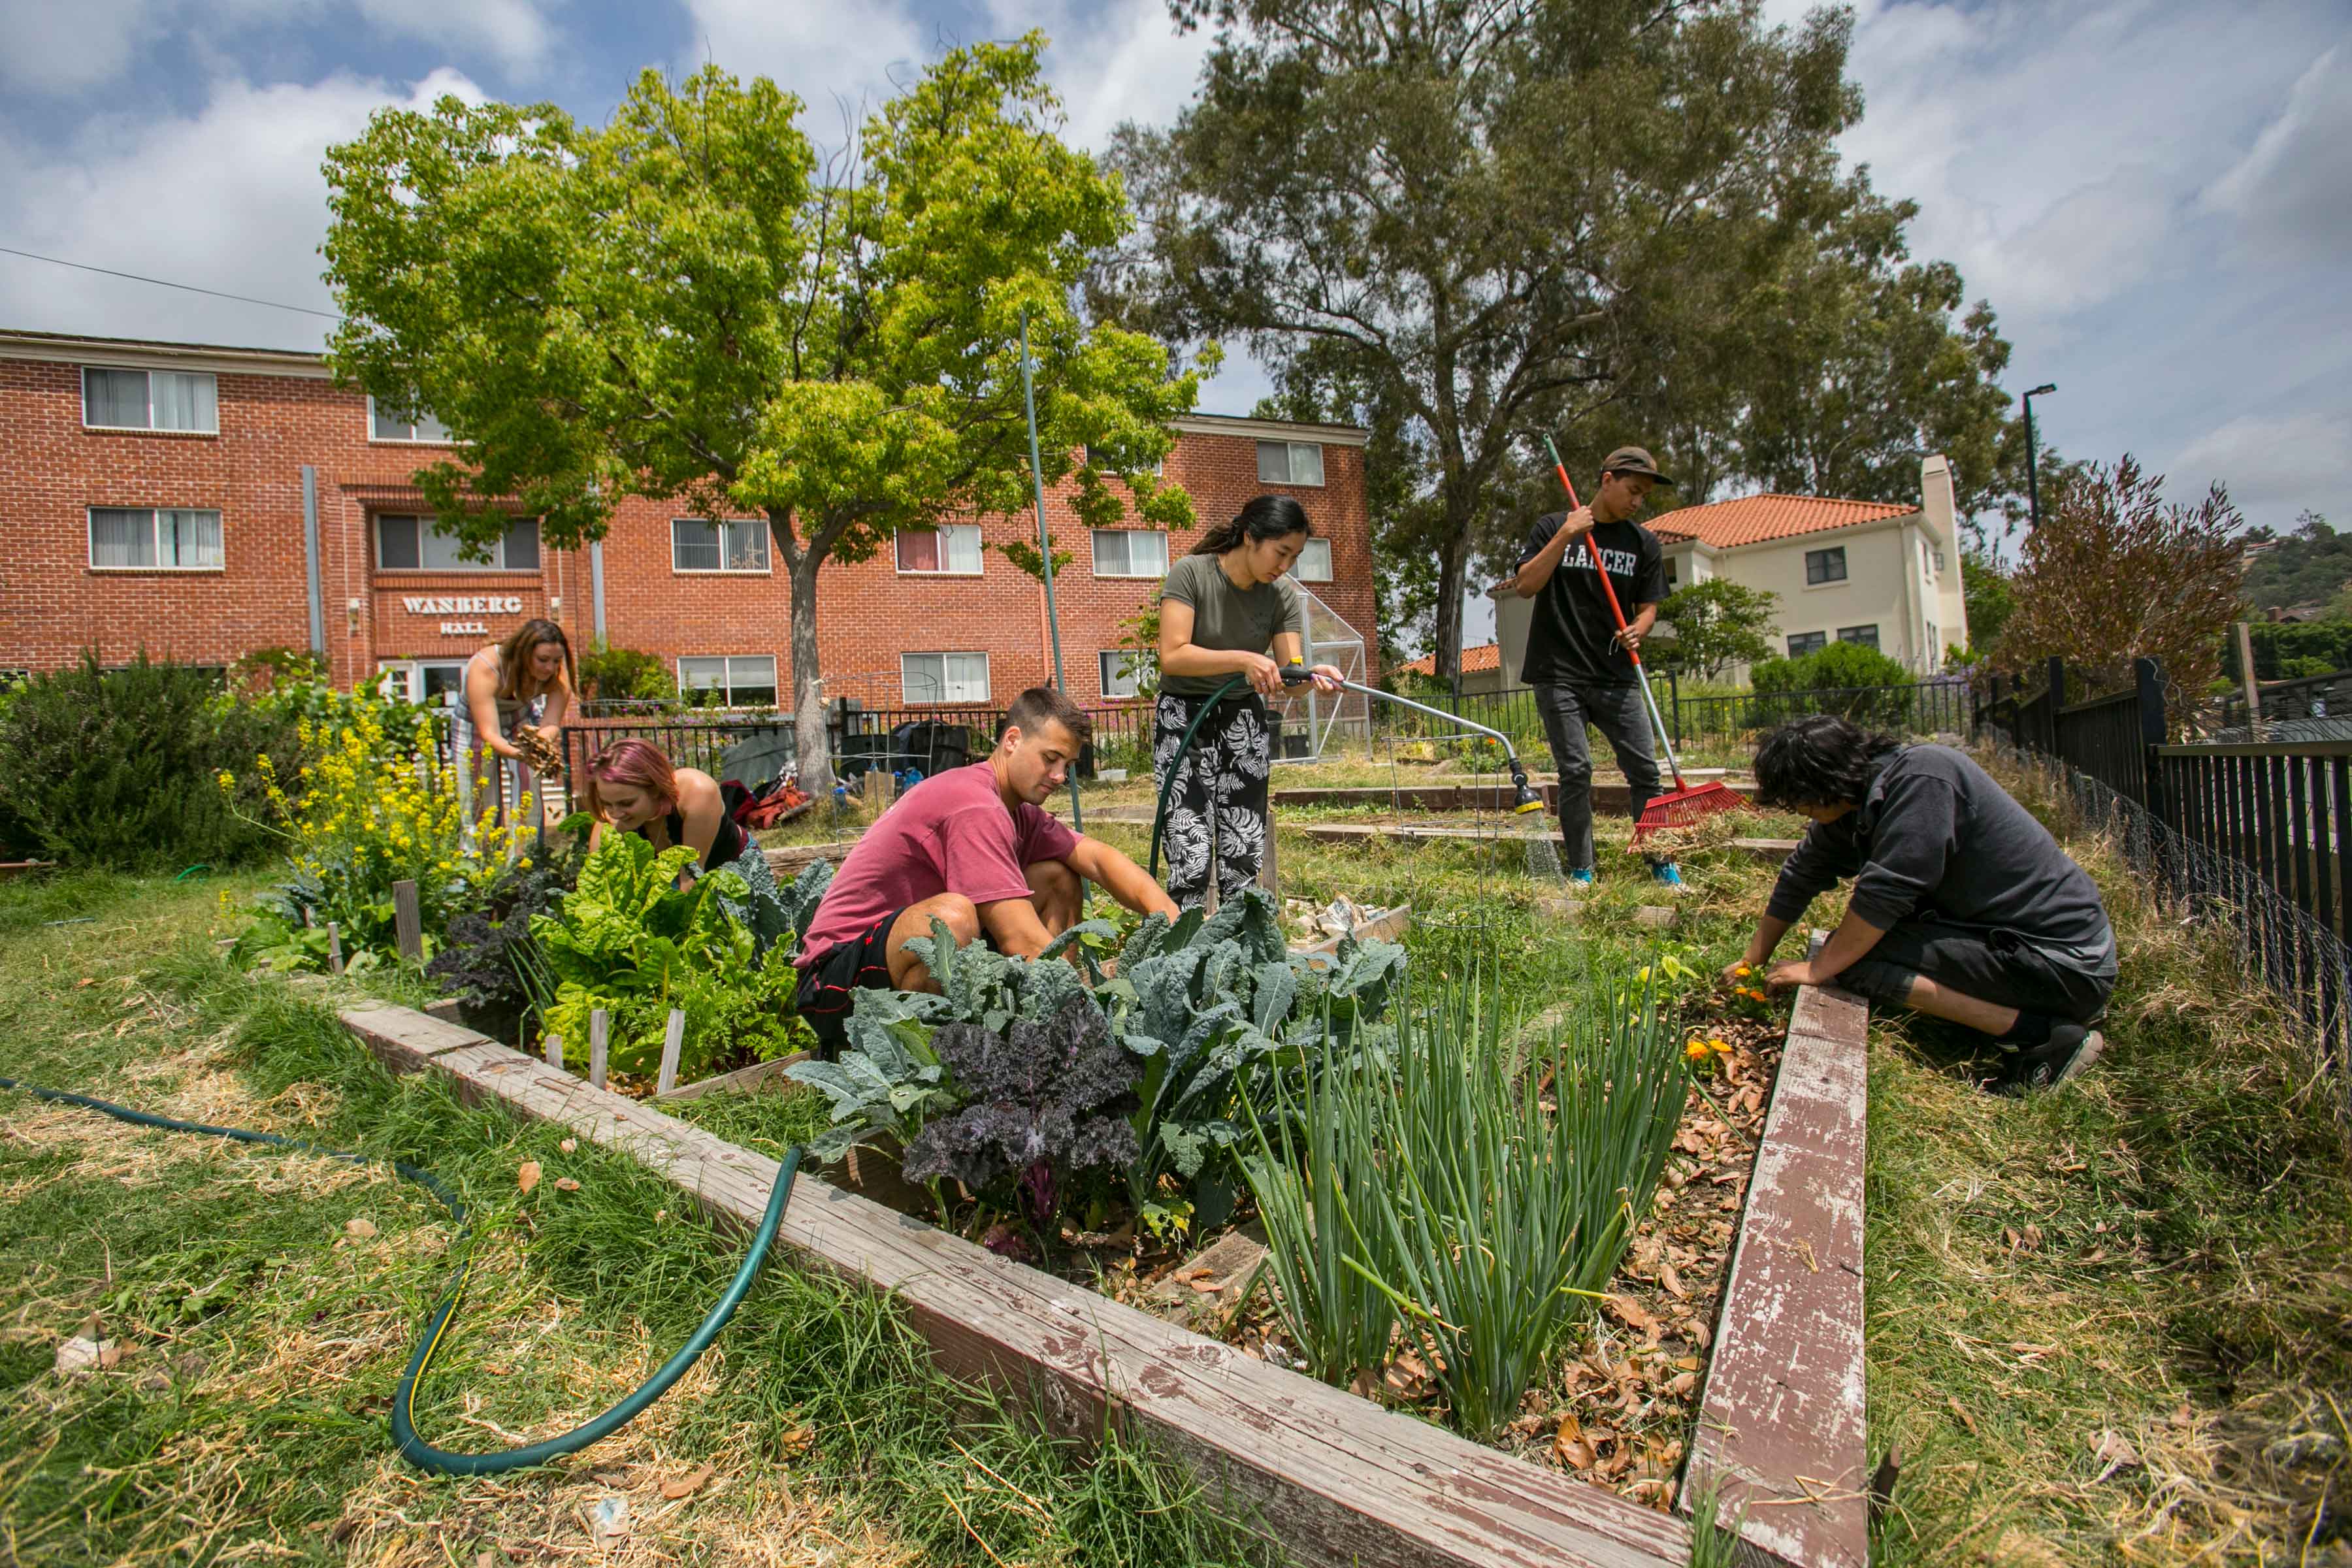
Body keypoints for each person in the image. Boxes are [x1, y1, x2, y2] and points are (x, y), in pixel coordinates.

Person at [1730, 714, 2117, 1093]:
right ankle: (2016, 1015)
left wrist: (1817, 970)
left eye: (1800, 799)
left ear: (1827, 780)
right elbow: (1801, 874)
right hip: (2011, 942)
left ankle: (2041, 1036)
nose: (1798, 811)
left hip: (2063, 961)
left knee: (1855, 963)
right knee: (1847, 952)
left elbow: (1885, 895)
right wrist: (1753, 960)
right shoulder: (1857, 801)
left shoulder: (1923, 781)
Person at [794, 687, 1181, 1054]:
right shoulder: (975, 806)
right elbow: (1021, 941)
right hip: (833, 981)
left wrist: (1178, 928)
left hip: (886, 958)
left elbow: (1097, 858)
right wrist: (1090, 1026)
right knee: (950, 919)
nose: (1060, 776)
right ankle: (914, 1059)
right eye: (1050, 759)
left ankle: (1037, 1031)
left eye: (1068, 765)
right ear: (1012, 740)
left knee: (1056, 876)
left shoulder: (1015, 810)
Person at [1154, 495, 1343, 908]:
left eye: (1294, 557)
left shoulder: (1280, 599)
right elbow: (1172, 654)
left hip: (1243, 722)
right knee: (1191, 853)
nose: (1285, 566)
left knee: (1243, 848)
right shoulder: (1192, 574)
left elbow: (1288, 677)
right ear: (1250, 536)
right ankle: (1182, 952)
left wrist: (1312, 677)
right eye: (1281, 552)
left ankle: (1236, 956)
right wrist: (1243, 659)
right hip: (1185, 717)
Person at [1509, 445, 1678, 887]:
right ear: (1608, 480)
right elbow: (1526, 585)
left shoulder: (1643, 543)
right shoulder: (1553, 526)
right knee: (1577, 771)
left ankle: (1659, 859)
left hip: (1616, 676)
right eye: (1632, 490)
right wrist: (1566, 533)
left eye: (1643, 495)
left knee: (1645, 770)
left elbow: (1648, 608)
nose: (1637, 501)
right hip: (1558, 673)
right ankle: (1582, 868)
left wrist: (1639, 628)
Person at [581, 738, 795, 953]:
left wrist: (668, 952)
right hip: (673, 888)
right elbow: (601, 897)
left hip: (731, 871)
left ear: (655, 788)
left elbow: (691, 878)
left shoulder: (697, 791)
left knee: (748, 948)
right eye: (607, 804)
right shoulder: (609, 828)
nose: (616, 813)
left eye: (627, 803)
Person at [455, 618, 575, 836]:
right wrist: (520, 753)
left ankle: (526, 857)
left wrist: (539, 744)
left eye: (557, 660)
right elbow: (489, 733)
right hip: (473, 722)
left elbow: (550, 724)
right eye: (543, 660)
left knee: (529, 779)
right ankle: (480, 860)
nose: (551, 667)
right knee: (478, 794)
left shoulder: (558, 673)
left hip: (520, 718)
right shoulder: (487, 666)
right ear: (523, 654)